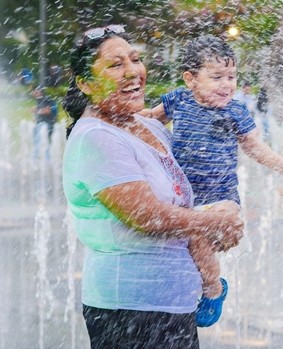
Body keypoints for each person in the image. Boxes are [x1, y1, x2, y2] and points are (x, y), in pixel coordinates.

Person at [61, 25, 244, 348]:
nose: (133, 71)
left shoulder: (147, 126)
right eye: (116, 65)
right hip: (130, 311)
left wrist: (224, 209)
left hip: (175, 306)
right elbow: (146, 216)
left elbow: (185, 192)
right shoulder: (96, 137)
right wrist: (215, 221)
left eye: (135, 59)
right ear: (86, 83)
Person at [142, 35, 283, 321]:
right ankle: (186, 289)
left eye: (232, 76)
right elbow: (149, 121)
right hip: (184, 197)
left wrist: (280, 164)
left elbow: (252, 145)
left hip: (221, 197)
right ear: (191, 79)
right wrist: (121, 122)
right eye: (216, 77)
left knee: (199, 242)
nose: (227, 84)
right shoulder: (178, 100)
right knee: (179, 245)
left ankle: (214, 290)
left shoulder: (235, 111)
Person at [31, 86, 58, 159]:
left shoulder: (46, 99)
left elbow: (47, 110)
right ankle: (41, 157)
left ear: (40, 92)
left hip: (47, 124)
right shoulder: (40, 100)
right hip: (45, 124)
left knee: (40, 138)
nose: (34, 93)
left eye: (36, 91)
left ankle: (39, 158)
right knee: (39, 138)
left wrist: (36, 111)